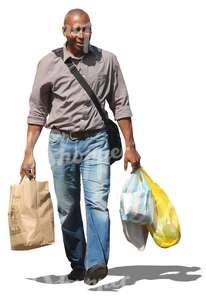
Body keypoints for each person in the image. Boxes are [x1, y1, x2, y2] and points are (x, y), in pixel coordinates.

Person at [20, 8, 141, 285]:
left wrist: (131, 145)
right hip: (61, 143)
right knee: (68, 207)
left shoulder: (107, 60)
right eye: (75, 29)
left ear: (91, 30)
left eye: (85, 28)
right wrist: (28, 153)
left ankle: (96, 263)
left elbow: (120, 103)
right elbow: (37, 111)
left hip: (97, 141)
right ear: (64, 31)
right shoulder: (48, 63)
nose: (81, 34)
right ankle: (78, 262)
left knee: (97, 203)